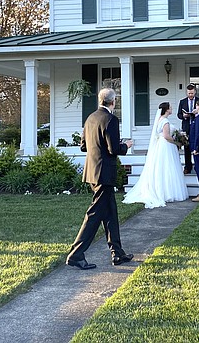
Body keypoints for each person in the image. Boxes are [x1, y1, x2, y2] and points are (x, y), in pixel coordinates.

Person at [66, 88, 134, 270]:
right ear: (114, 101)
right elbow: (114, 149)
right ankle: (76, 255)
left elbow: (83, 147)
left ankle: (117, 254)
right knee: (94, 215)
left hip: (92, 172)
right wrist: (125, 145)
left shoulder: (90, 118)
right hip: (104, 173)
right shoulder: (111, 119)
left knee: (111, 214)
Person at [123, 102, 188, 208]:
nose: (171, 109)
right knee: (168, 167)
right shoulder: (165, 121)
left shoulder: (160, 119)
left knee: (162, 167)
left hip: (161, 145)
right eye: (170, 107)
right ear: (167, 109)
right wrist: (178, 142)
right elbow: (166, 136)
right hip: (166, 145)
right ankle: (167, 192)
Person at [177, 84, 199, 174]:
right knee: (187, 147)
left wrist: (196, 113)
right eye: (189, 93)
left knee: (196, 146)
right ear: (186, 92)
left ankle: (197, 167)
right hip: (187, 126)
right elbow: (178, 114)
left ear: (195, 91)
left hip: (196, 126)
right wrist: (183, 116)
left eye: (192, 93)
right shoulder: (182, 102)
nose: (190, 95)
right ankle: (188, 166)